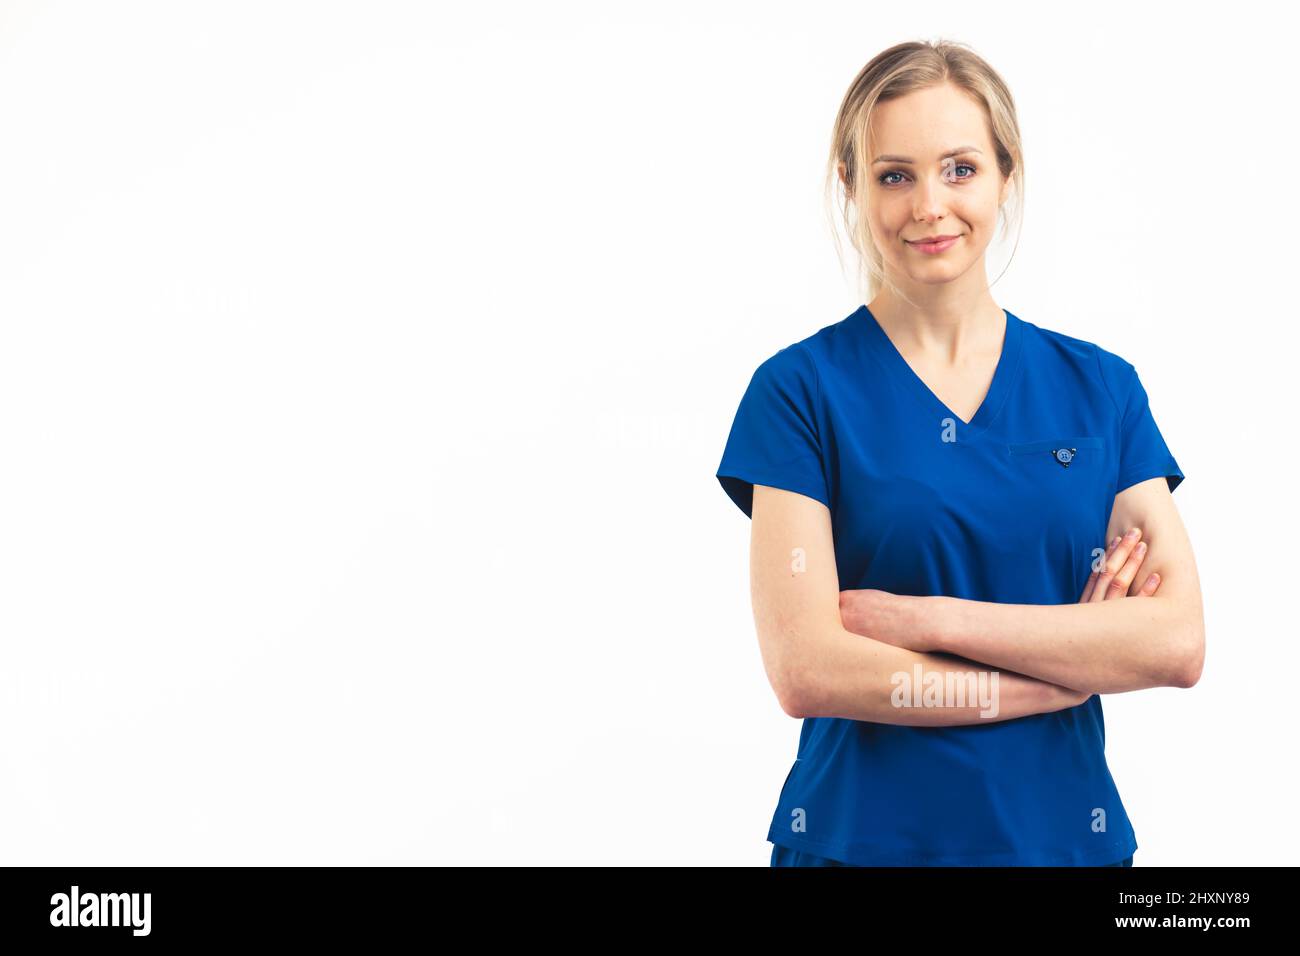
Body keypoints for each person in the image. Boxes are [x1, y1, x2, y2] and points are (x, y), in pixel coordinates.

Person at [715, 40, 1204, 867]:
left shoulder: (1101, 389)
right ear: (853, 187)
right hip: (860, 847)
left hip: (1064, 845)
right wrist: (1055, 674)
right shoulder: (798, 393)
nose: (929, 205)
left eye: (961, 168)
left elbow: (1173, 642)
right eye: (894, 174)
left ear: (1006, 175)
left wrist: (923, 618)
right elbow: (808, 668)